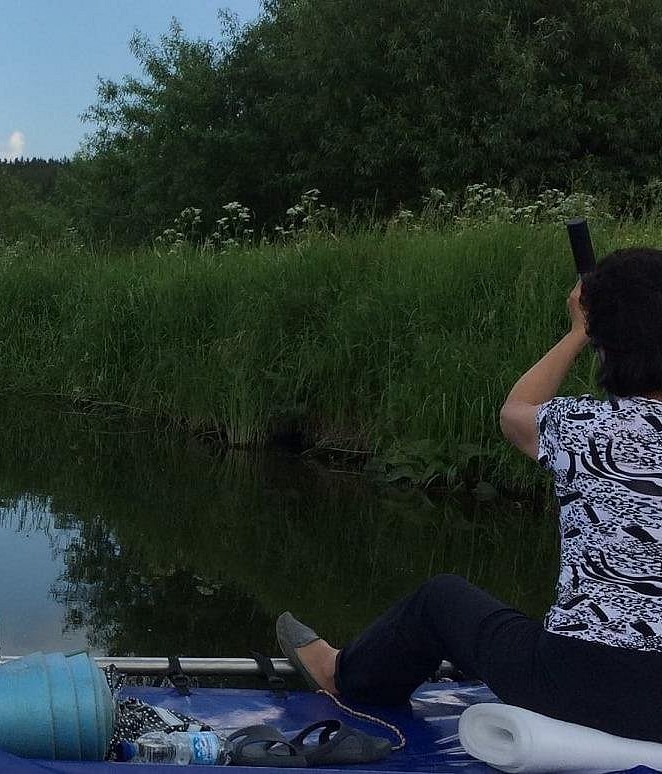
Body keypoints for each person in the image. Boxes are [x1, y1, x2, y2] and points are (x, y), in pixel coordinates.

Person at [277, 247, 662, 742]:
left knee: (441, 600)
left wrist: (577, 333)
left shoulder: (585, 427)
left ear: (607, 336)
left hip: (583, 684)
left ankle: (341, 674)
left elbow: (516, 410)